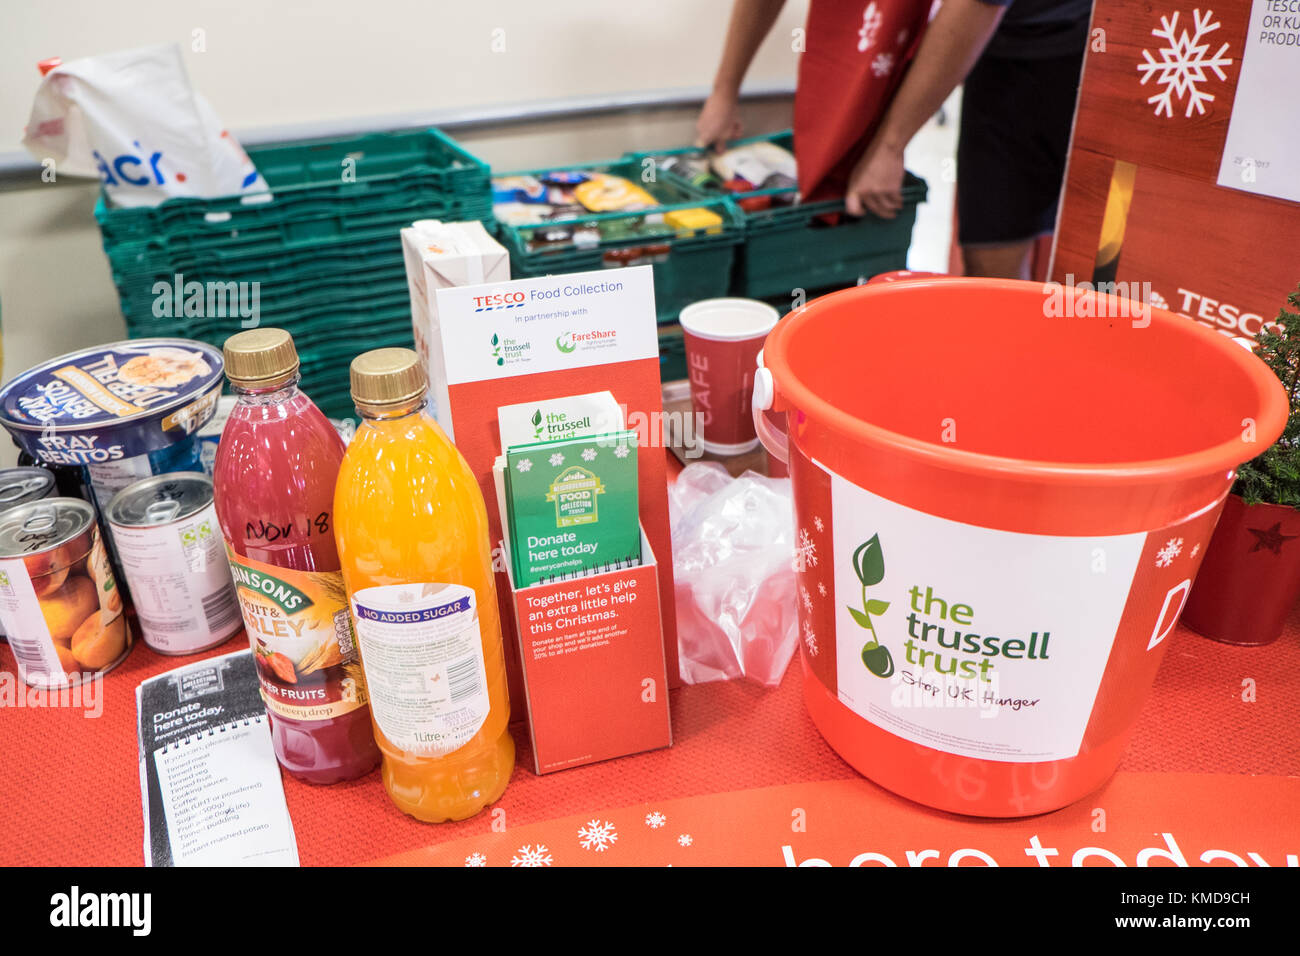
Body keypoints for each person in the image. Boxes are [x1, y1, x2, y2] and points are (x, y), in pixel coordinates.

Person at [697, 0, 1092, 280]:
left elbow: (979, 4)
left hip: (1071, 43)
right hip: (994, 41)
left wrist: (889, 147)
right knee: (988, 260)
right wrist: (724, 90)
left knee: (1080, 263)